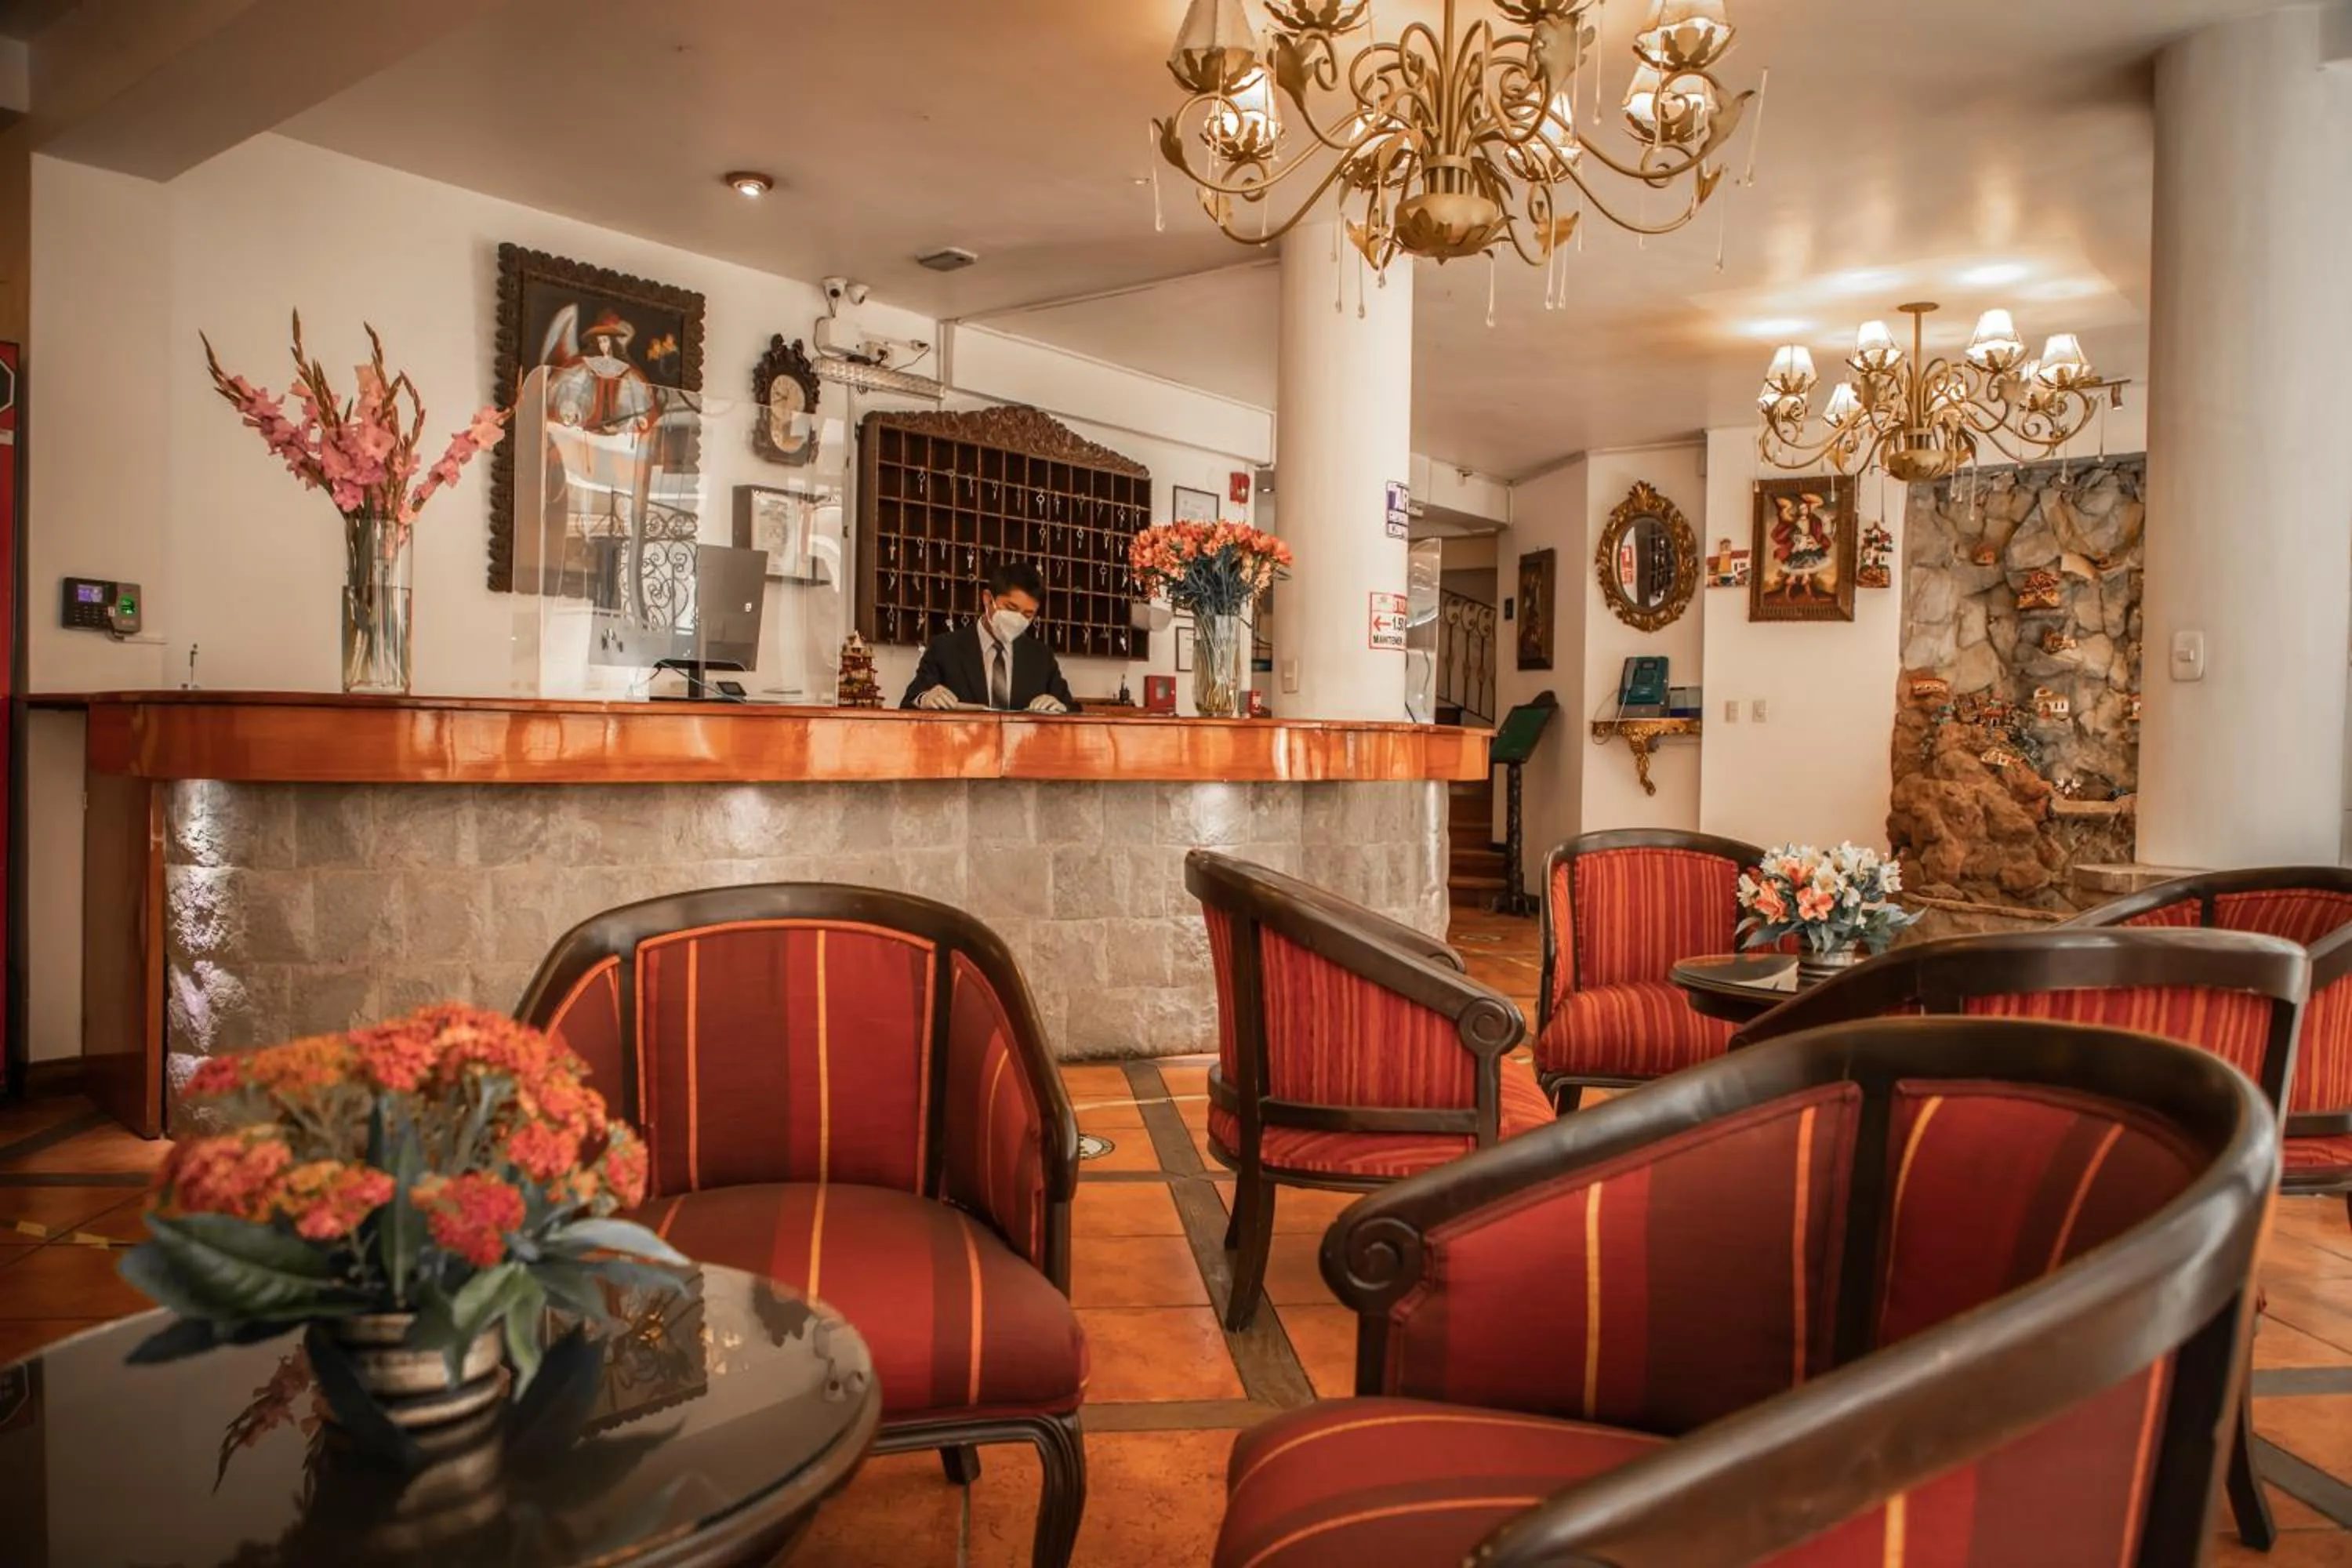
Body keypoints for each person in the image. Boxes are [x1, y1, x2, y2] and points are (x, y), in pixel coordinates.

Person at [901, 562, 1080, 713]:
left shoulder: (1041, 656)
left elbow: (1073, 709)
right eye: (1011, 608)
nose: (1017, 619)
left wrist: (1060, 707)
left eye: (1028, 614)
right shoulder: (945, 648)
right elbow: (909, 703)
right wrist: (924, 699)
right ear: (987, 599)